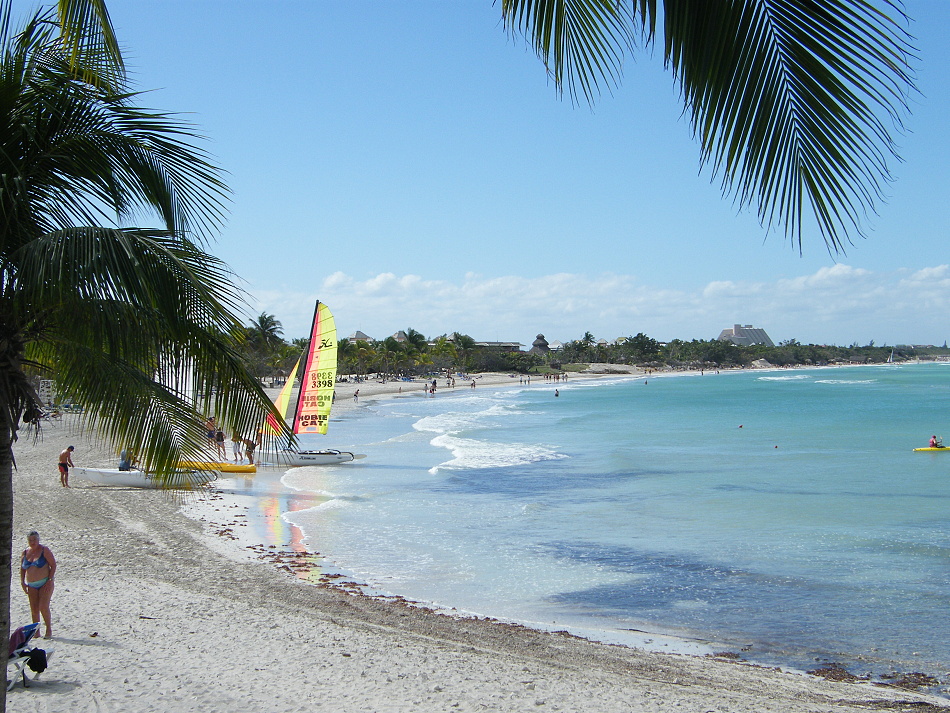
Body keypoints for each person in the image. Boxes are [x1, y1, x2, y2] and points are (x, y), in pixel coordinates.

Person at [20, 531, 55, 639]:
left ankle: (48, 629)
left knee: (43, 606)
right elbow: (22, 568)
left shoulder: (44, 550)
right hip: (31, 585)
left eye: (34, 539)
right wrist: (22, 582)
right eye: (30, 540)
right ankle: (36, 632)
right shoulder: (25, 552)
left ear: (38, 539)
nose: (32, 542)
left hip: (45, 582)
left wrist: (50, 580)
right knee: (34, 609)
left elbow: (53, 565)